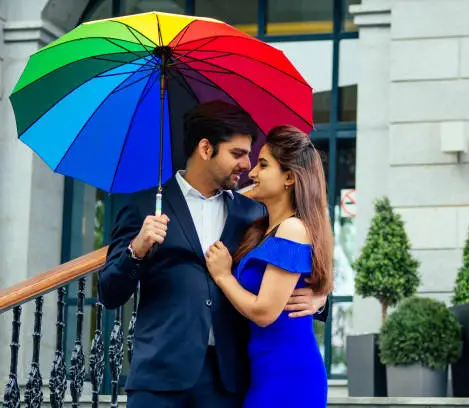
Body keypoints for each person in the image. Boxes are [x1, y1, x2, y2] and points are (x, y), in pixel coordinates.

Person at [97, 101, 328, 408]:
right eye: (238, 154)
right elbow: (109, 293)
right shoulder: (142, 207)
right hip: (159, 380)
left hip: (228, 382)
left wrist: (319, 299)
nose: (247, 165)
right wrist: (135, 251)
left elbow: (295, 266)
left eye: (252, 156)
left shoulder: (253, 212)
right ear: (206, 148)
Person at [204, 125, 334, 408]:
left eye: (263, 165)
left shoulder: (292, 228)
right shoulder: (263, 230)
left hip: (289, 376)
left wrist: (223, 276)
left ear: (289, 177)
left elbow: (264, 312)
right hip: (264, 373)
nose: (252, 173)